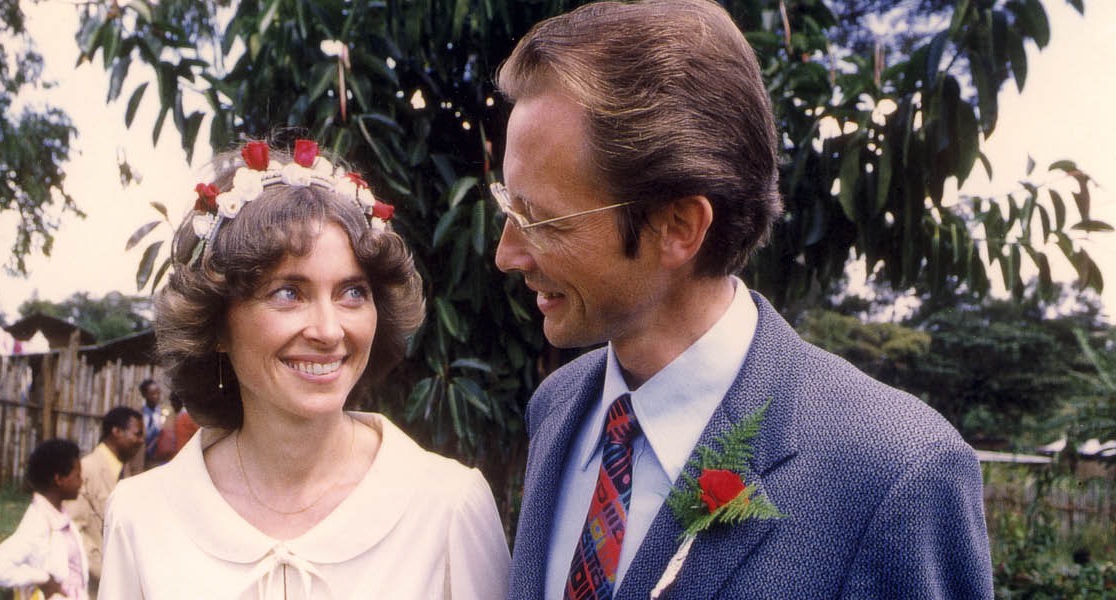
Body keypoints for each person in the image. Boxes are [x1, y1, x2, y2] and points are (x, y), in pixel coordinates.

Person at [493, 1, 993, 598]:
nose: (507, 254)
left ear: (679, 226)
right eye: (509, 207)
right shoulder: (558, 409)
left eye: (543, 220)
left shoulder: (895, 473)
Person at [99, 138, 510, 599]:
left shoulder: (448, 507)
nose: (329, 330)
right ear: (215, 323)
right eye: (288, 293)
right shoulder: (142, 517)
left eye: (352, 292)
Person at [0, 438, 88, 599]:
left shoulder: (59, 518)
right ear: (59, 479)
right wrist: (43, 578)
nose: (81, 481)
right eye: (77, 475)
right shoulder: (37, 523)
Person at [64, 406, 143, 598]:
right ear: (116, 432)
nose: (141, 441)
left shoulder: (125, 473)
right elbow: (73, 530)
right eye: (137, 434)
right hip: (90, 583)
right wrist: (105, 570)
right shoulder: (87, 470)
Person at [126, 379, 164, 473]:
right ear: (144, 395)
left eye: (158, 393)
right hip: (140, 457)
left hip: (158, 458)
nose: (156, 396)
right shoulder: (138, 414)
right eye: (153, 394)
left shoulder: (163, 413)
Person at [155, 391, 199, 462]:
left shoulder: (185, 416)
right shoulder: (179, 415)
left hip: (182, 456)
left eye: (173, 402)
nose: (172, 404)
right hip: (179, 456)